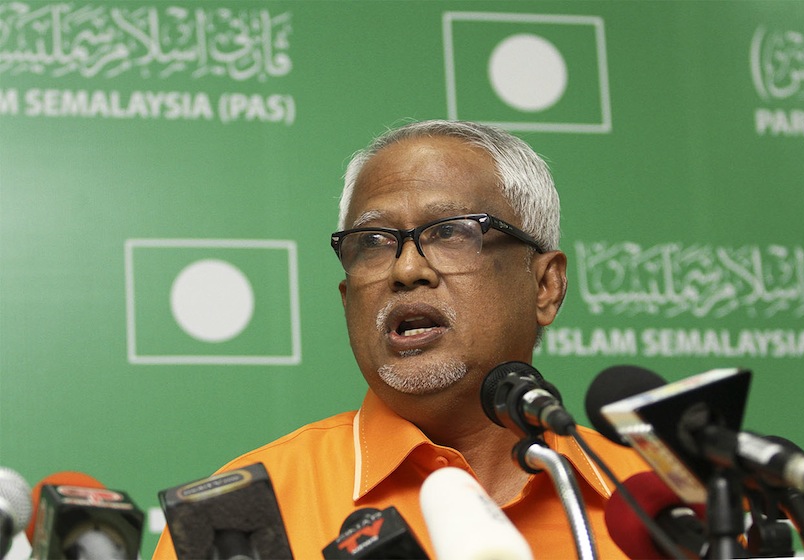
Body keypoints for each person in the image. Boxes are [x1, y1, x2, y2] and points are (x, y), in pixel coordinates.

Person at [153, 119, 649, 558]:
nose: (406, 269)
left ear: (544, 286)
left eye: (450, 232)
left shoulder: (659, 501)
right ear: (347, 299)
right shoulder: (242, 517)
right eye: (372, 242)